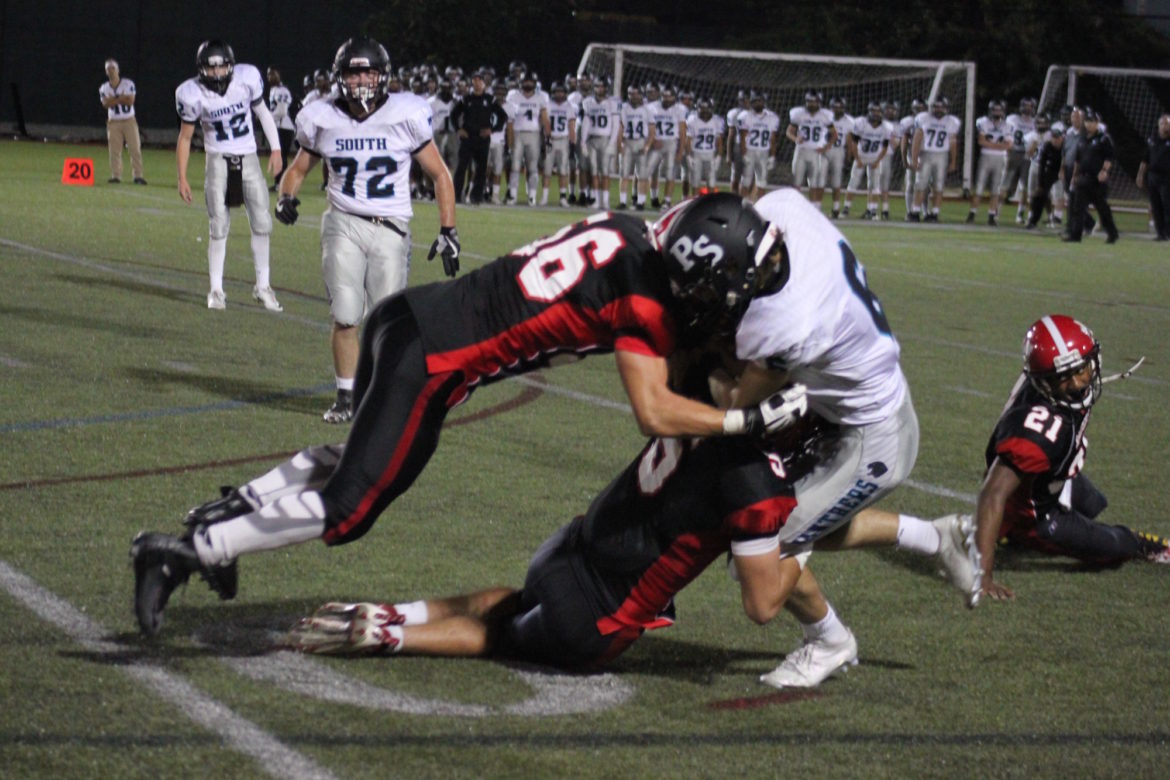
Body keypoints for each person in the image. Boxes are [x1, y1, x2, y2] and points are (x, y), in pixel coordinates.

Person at [130, 193, 805, 637]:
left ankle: (223, 514)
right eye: (730, 292)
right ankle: (190, 551)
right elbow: (654, 411)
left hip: (410, 318)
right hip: (434, 361)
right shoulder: (647, 301)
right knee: (352, 507)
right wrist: (745, 423)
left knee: (361, 463)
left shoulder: (627, 231)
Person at [726, 186, 977, 688]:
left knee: (759, 549)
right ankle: (935, 537)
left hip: (872, 438)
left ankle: (829, 641)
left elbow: (737, 407)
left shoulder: (785, 319)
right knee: (805, 519)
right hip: (852, 403)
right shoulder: (781, 210)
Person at [284, 431, 805, 666]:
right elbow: (761, 606)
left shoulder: (705, 400)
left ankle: (394, 612)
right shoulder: (757, 480)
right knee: (497, 638)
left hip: (566, 548)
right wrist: (799, 550)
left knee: (514, 599)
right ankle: (383, 635)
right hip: (597, 616)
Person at [273, 37, 458, 425]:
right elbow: (298, 169)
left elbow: (440, 173)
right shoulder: (321, 116)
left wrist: (448, 229)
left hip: (391, 228)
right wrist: (285, 195)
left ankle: (386, 394)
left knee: (386, 319)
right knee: (345, 312)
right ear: (340, 76)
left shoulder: (405, 113)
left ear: (383, 75)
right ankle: (345, 395)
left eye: (368, 72)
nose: (361, 81)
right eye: (354, 73)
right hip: (343, 222)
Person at [973, 315, 1167, 602]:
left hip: (1050, 476)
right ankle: (1020, 531)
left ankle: (1011, 530)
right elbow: (992, 494)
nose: (1077, 383)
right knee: (1114, 546)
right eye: (1064, 377)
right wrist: (982, 575)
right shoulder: (1038, 431)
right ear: (1044, 381)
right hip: (1038, 512)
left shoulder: (1049, 384)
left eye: (1081, 369)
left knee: (1093, 502)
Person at [175, 40, 284, 311]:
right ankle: (216, 290)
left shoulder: (246, 80)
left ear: (231, 66)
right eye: (211, 69)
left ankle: (263, 286)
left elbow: (263, 113)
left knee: (261, 221)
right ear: (202, 70)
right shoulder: (192, 93)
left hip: (248, 158)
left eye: (222, 67)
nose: (217, 74)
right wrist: (182, 176)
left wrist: (277, 148)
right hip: (217, 160)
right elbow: (185, 137)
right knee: (219, 225)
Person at [450, 71, 507, 205]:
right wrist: (459, 129)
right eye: (475, 80)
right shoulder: (466, 99)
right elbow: (453, 115)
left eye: (479, 80)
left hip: (482, 138)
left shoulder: (489, 99)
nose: (477, 83)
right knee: (461, 167)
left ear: (483, 83)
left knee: (481, 169)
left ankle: (477, 196)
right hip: (468, 137)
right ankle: (456, 195)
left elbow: (502, 116)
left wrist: (492, 130)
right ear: (472, 82)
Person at [1064, 108, 1119, 244]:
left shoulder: (1104, 138)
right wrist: (1074, 176)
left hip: (1097, 180)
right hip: (1083, 178)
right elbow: (1078, 159)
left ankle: (1112, 233)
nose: (1089, 124)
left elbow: (1109, 157)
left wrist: (1104, 171)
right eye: (1087, 121)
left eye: (1092, 121)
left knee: (1102, 208)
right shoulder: (1083, 138)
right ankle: (1075, 235)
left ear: (1097, 123)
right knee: (1078, 207)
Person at [907, 96, 960, 223]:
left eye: (941, 107)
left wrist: (953, 161)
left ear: (947, 108)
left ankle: (934, 213)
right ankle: (915, 211)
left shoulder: (952, 121)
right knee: (920, 184)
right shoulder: (923, 118)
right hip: (926, 154)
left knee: (939, 186)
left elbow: (953, 142)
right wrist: (914, 158)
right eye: (936, 106)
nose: (939, 109)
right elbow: (917, 139)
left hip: (942, 155)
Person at [842, 102, 892, 220]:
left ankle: (872, 210)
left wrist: (878, 160)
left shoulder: (886, 127)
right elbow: (854, 143)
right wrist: (857, 158)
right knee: (853, 183)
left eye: (878, 112)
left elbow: (885, 147)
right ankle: (845, 209)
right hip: (861, 155)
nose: (876, 114)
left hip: (875, 156)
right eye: (874, 111)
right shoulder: (861, 123)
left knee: (875, 186)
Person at [100, 58, 146, 185]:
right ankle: (116, 175)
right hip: (113, 122)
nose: (110, 71)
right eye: (108, 69)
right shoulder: (104, 87)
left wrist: (114, 99)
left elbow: (130, 101)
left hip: (128, 120)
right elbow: (105, 104)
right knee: (114, 150)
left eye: (112, 68)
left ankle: (138, 175)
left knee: (135, 148)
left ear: (118, 70)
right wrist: (121, 98)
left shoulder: (127, 83)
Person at [785, 91, 836, 207]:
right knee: (797, 181)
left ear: (819, 102)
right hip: (801, 151)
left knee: (814, 183)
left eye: (814, 101)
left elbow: (834, 134)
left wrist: (826, 147)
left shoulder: (825, 116)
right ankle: (795, 207)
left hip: (816, 152)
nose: (811, 104)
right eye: (809, 101)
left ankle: (814, 209)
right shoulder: (798, 114)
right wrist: (795, 138)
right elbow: (789, 131)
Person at [505, 72, 548, 205]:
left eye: (530, 82)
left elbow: (544, 119)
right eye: (526, 81)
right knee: (515, 166)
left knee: (533, 167)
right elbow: (509, 121)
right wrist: (509, 140)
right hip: (517, 133)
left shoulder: (540, 97)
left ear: (535, 84)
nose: (528, 84)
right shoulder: (513, 96)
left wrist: (548, 137)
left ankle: (532, 195)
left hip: (534, 134)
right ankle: (513, 195)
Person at [966, 100, 1011, 226]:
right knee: (979, 186)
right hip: (986, 157)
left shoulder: (1008, 125)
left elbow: (1008, 145)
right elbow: (981, 141)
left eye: (999, 110)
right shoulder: (983, 122)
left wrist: (991, 145)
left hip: (1000, 159)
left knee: (996, 189)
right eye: (995, 110)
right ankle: (972, 213)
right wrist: (998, 145)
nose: (997, 112)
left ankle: (992, 215)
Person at [646, 86, 688, 209]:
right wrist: (652, 140)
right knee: (651, 172)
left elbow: (682, 131)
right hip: (657, 142)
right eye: (665, 96)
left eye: (669, 96)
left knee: (670, 173)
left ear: (675, 97)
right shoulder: (653, 107)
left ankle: (667, 200)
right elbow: (648, 126)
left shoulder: (680, 109)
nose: (667, 99)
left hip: (671, 142)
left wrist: (681, 150)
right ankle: (653, 198)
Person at [581, 78, 620, 209]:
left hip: (605, 139)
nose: (599, 89)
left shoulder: (612, 103)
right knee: (593, 172)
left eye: (601, 86)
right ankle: (596, 200)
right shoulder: (588, 102)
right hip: (592, 139)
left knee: (605, 172)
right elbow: (586, 124)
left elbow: (616, 125)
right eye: (597, 86)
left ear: (606, 88)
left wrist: (612, 143)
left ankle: (606, 201)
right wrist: (583, 142)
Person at [617, 84, 655, 210]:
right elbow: (621, 127)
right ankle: (623, 202)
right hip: (627, 142)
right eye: (631, 94)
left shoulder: (647, 110)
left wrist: (648, 146)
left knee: (642, 175)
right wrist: (619, 144)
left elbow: (652, 130)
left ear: (641, 94)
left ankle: (641, 202)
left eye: (636, 94)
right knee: (624, 174)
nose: (633, 97)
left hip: (641, 142)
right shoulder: (624, 108)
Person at [739, 91, 781, 202]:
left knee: (762, 182)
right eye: (756, 101)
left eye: (760, 101)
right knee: (746, 180)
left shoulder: (772, 117)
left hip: (764, 151)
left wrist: (772, 156)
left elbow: (772, 139)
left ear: (764, 102)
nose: (758, 103)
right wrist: (744, 154)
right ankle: (741, 204)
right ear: (752, 102)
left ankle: (760, 207)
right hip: (750, 150)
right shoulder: (745, 116)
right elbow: (743, 137)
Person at [541, 81, 576, 207]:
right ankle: (544, 197)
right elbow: (545, 123)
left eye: (561, 92)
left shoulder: (569, 107)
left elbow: (572, 127)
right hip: (551, 140)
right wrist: (547, 138)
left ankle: (562, 197)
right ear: (553, 92)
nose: (559, 94)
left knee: (563, 171)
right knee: (547, 170)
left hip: (563, 140)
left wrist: (572, 143)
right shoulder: (548, 105)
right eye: (557, 92)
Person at [1136, 114, 1170, 241]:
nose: (1165, 126)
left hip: (1167, 178)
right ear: (1158, 125)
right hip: (1153, 177)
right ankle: (1160, 233)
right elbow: (1145, 159)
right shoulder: (1153, 139)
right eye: (1163, 123)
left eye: (1167, 123)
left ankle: (1168, 232)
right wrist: (1140, 175)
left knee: (1167, 205)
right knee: (1155, 206)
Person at [1025, 126, 1065, 229]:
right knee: (1039, 195)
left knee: (1076, 196)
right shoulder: (1047, 146)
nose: (1055, 140)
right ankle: (1033, 221)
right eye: (1054, 138)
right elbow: (1042, 166)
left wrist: (1064, 171)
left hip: (1067, 171)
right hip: (1051, 171)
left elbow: (1070, 160)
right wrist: (1040, 184)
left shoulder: (1066, 147)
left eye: (1057, 137)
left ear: (1062, 137)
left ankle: (1086, 223)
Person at [1004, 98, 1037, 224]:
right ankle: (995, 213)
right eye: (1025, 106)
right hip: (1013, 153)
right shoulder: (1012, 119)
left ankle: (1020, 214)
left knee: (1025, 187)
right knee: (1005, 186)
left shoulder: (1035, 122)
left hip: (1027, 155)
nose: (1027, 108)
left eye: (1030, 106)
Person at [265, 67, 296, 190]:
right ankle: (279, 183)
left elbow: (282, 111)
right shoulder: (274, 90)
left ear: (278, 75)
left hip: (284, 127)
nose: (270, 77)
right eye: (268, 75)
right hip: (279, 126)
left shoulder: (281, 90)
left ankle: (281, 184)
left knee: (281, 155)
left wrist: (268, 117)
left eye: (272, 74)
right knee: (279, 155)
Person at [687, 97, 725, 192]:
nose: (704, 111)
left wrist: (719, 157)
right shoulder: (692, 121)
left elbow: (719, 142)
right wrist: (689, 156)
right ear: (697, 108)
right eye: (702, 108)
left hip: (710, 154)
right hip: (696, 153)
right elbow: (688, 141)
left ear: (711, 109)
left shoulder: (717, 121)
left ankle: (710, 204)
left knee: (711, 182)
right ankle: (695, 203)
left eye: (707, 108)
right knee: (695, 181)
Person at [826, 97, 852, 218]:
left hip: (838, 150)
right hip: (823, 150)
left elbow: (849, 141)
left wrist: (848, 157)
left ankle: (836, 208)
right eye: (835, 107)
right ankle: (816, 206)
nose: (837, 110)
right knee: (817, 180)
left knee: (836, 181)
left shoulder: (849, 121)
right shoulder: (824, 117)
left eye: (840, 107)